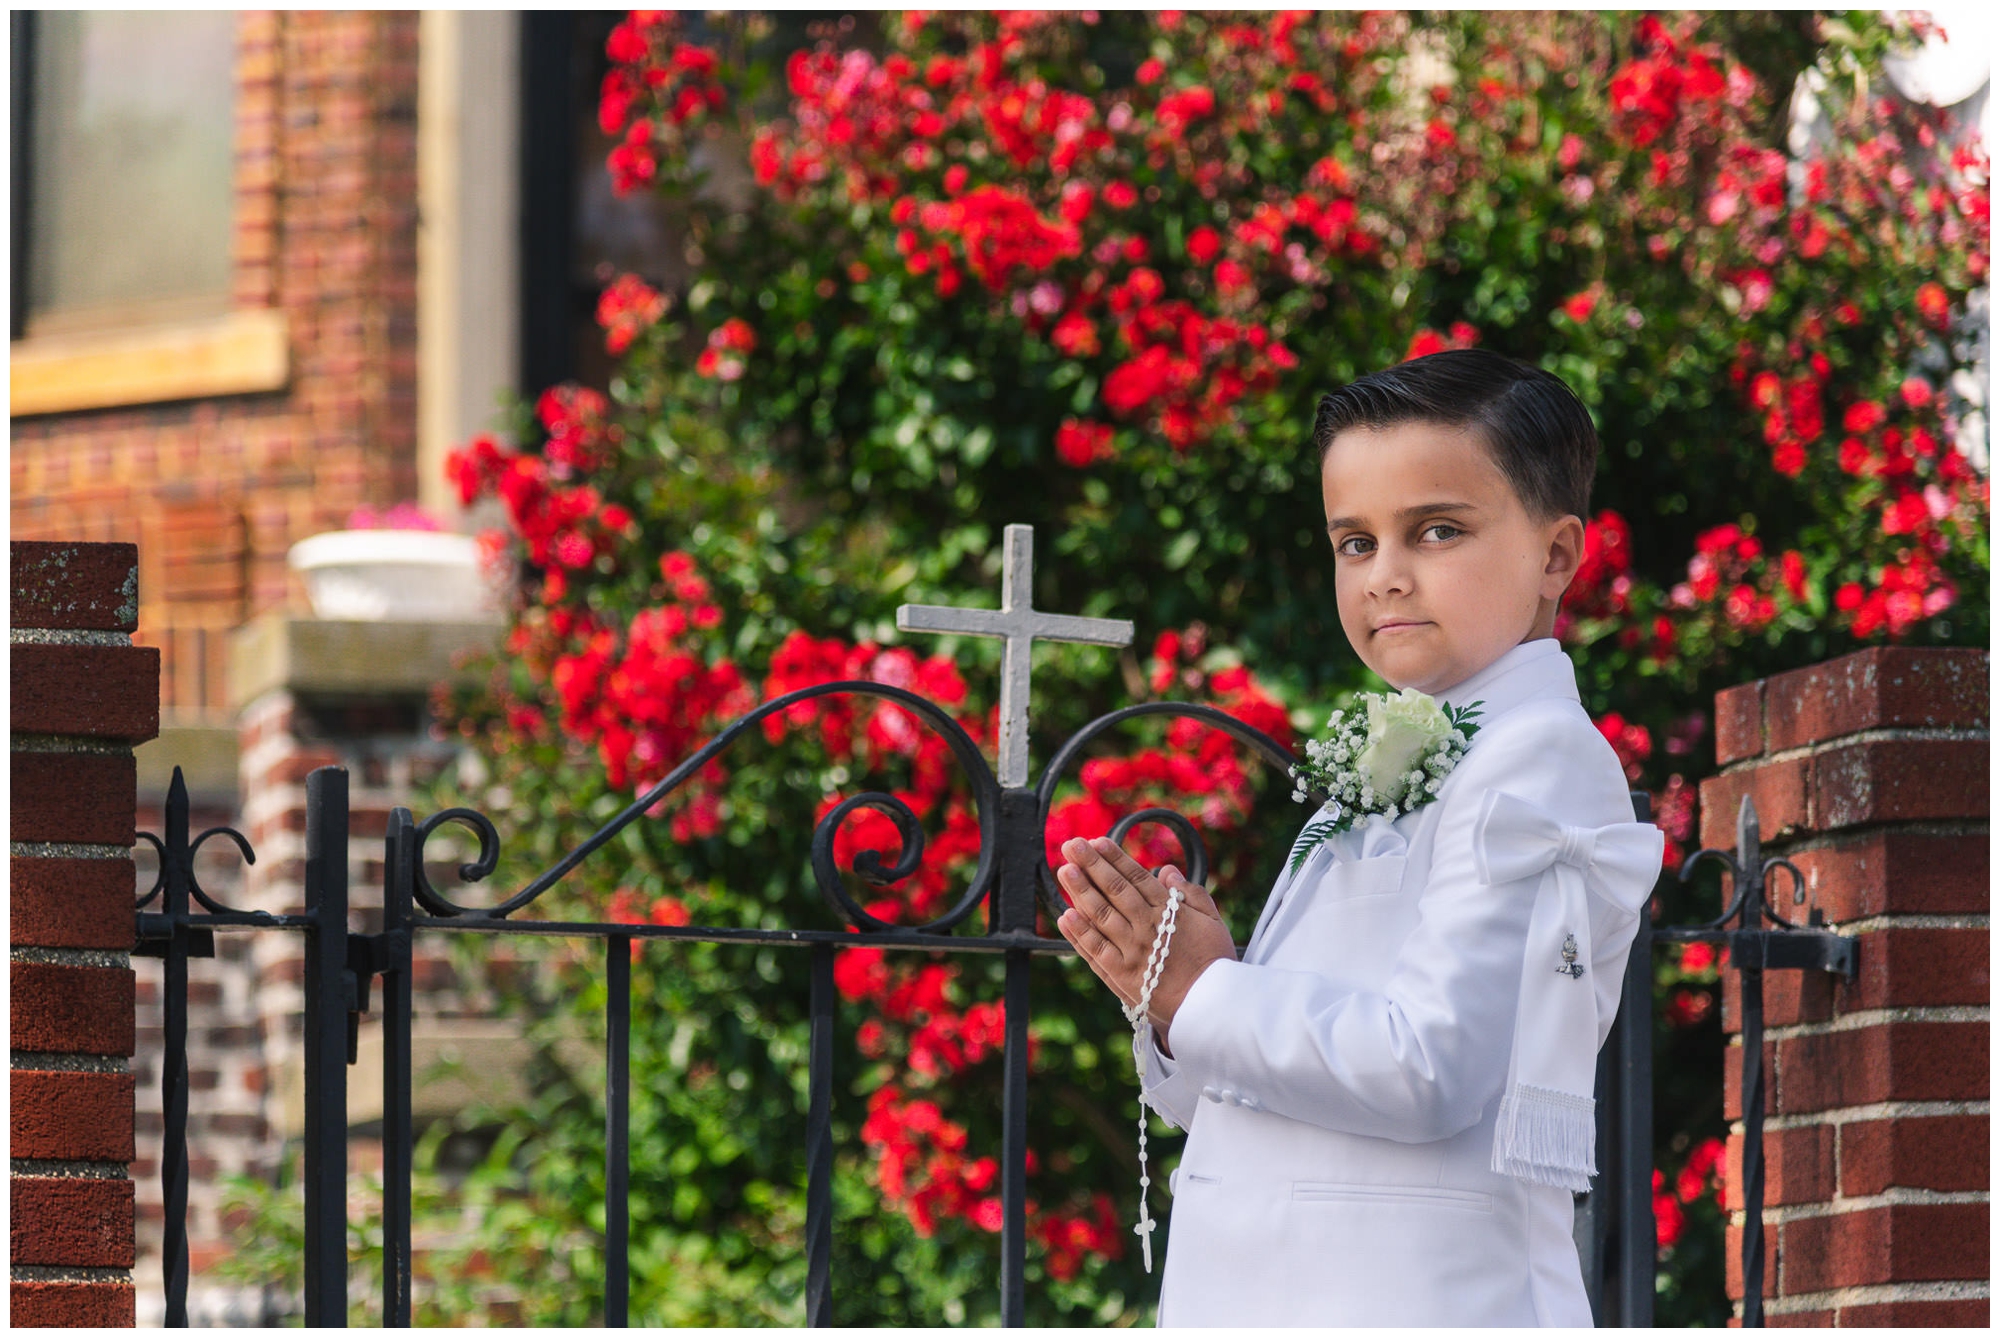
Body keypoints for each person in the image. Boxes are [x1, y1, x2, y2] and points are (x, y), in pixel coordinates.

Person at [1054, 348, 1666, 1326]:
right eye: (1353, 542)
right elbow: (1249, 1096)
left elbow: (1429, 1068)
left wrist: (1205, 989)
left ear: (1555, 555)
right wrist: (1169, 1007)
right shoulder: (1398, 749)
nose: (1384, 576)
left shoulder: (1537, 756)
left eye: (1433, 531)